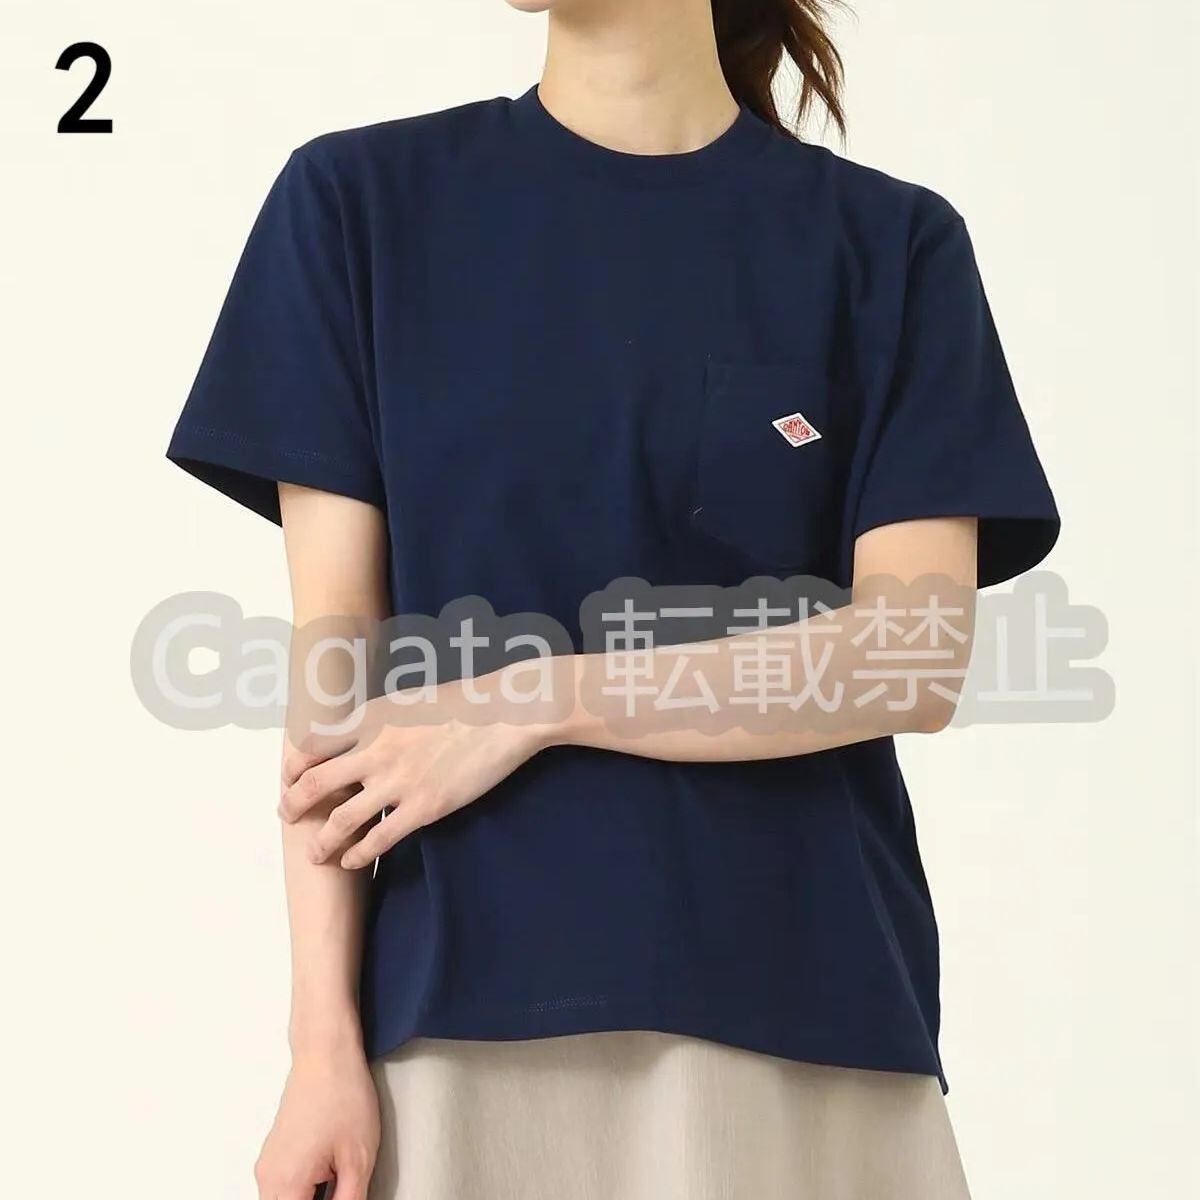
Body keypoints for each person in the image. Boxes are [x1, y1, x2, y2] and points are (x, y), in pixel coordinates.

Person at [166, 1, 1059, 1197]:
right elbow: (335, 688)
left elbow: (912, 657)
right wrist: (320, 1047)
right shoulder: (359, 207)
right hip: (457, 1035)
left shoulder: (887, 246)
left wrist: (531, 703)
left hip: (806, 1030)